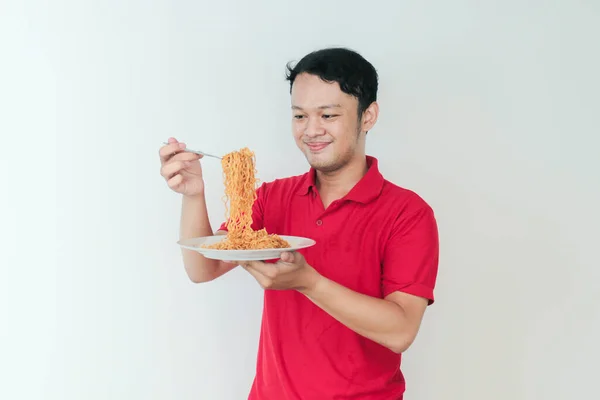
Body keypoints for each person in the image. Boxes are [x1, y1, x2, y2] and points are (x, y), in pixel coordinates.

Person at [158, 47, 439, 400]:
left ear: (368, 116)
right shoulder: (273, 197)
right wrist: (193, 194)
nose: (312, 130)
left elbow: (400, 331)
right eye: (300, 116)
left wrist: (308, 282)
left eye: (329, 114)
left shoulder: (407, 213)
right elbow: (204, 266)